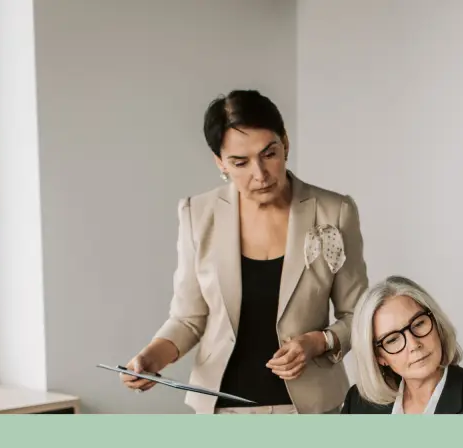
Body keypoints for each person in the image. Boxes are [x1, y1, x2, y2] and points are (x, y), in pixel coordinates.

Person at [123, 89, 368, 414]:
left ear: (286, 143)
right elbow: (188, 318)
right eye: (240, 162)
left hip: (311, 409)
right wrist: (151, 358)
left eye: (270, 154)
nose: (260, 174)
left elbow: (358, 316)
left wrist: (317, 343)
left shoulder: (334, 211)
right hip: (220, 409)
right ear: (220, 162)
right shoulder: (198, 214)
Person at [342, 276, 463, 415]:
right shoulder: (358, 404)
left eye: (418, 324)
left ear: (436, 323)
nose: (414, 344)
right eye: (392, 339)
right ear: (379, 357)